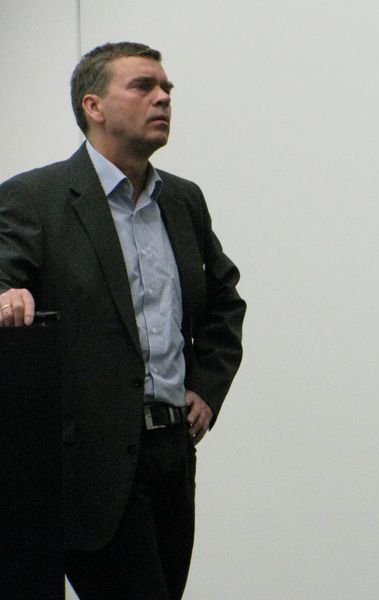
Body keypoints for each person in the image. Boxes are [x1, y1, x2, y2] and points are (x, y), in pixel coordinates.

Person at [0, 42, 246, 598]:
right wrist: (6, 296)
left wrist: (207, 388)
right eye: (143, 86)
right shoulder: (35, 198)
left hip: (172, 453)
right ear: (94, 106)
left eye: (166, 89)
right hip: (91, 462)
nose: (163, 98)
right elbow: (3, 279)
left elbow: (224, 301)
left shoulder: (181, 200)